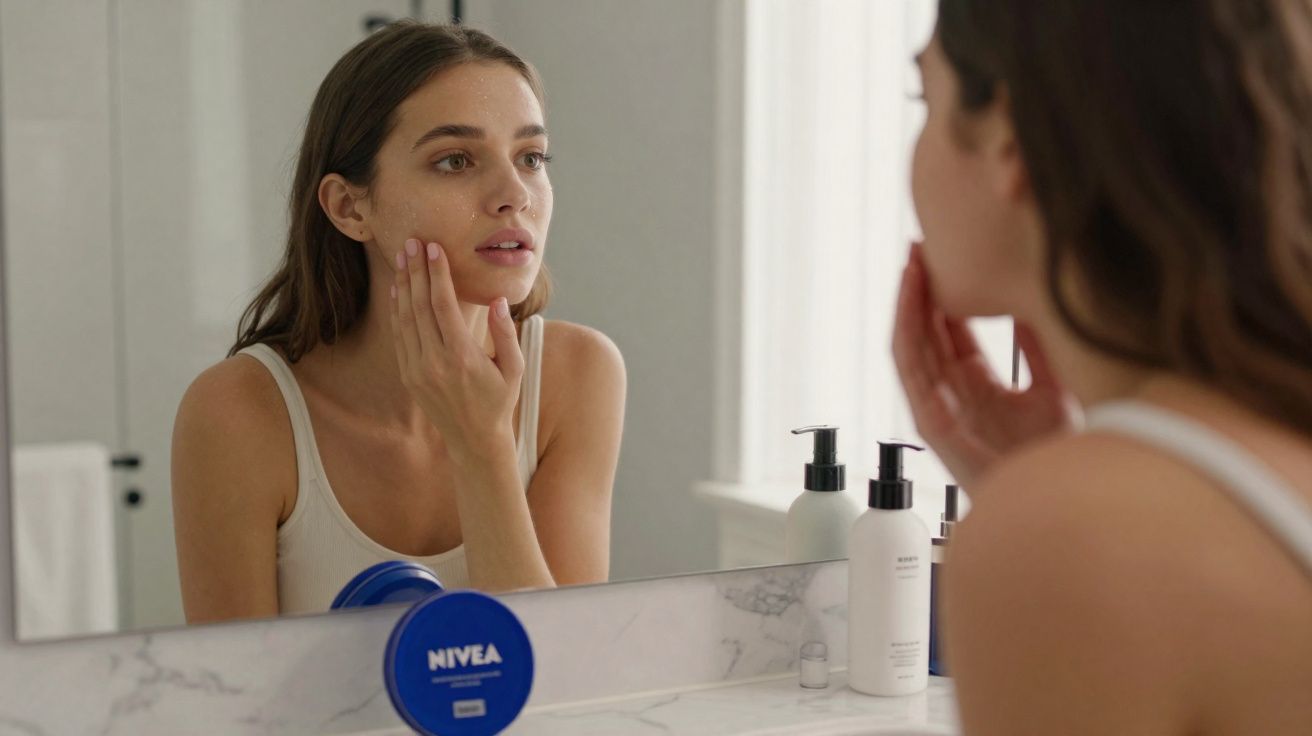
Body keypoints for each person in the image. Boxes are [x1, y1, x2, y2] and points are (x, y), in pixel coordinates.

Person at [895, 1, 1312, 733]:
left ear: (1009, 146)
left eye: (924, 99)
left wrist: (1041, 505)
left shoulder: (1071, 534)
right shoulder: (1267, 437)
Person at [171, 22, 625, 623]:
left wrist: (482, 445)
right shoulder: (238, 413)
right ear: (350, 207)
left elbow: (564, 679)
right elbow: (237, 708)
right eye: (455, 160)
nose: (514, 193)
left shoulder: (578, 376)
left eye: (531, 156)